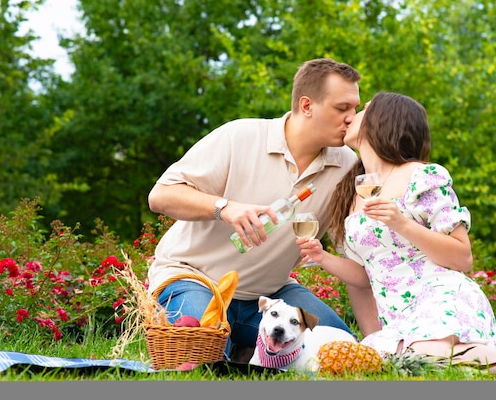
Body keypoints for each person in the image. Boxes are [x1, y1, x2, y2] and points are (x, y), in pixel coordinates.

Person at [296, 91, 496, 374]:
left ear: (383, 121)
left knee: (428, 355)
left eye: (363, 110)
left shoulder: (422, 176)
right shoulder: (351, 193)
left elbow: (462, 257)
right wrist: (323, 258)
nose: (351, 117)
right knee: (409, 362)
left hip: (442, 296)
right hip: (398, 316)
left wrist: (402, 224)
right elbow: (365, 276)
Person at [146, 57, 366, 361]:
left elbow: (359, 253)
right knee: (202, 358)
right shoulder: (240, 136)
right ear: (306, 106)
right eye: (342, 109)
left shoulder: (346, 165)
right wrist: (224, 207)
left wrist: (376, 339)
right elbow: (160, 195)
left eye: (355, 109)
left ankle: (249, 347)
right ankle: (238, 347)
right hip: (194, 279)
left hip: (271, 295)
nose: (352, 118)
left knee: (341, 353)